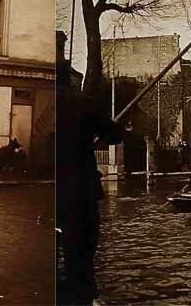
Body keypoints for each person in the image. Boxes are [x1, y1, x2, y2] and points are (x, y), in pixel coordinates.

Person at [56, 60, 123, 306]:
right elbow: (114, 134)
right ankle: (81, 289)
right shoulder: (82, 102)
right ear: (69, 78)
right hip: (80, 188)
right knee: (82, 247)